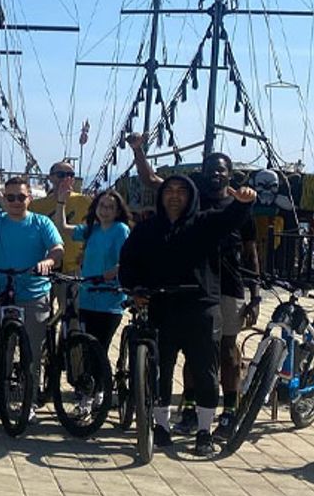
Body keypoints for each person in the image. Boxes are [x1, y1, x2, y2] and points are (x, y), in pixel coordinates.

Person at [129, 134, 260, 438]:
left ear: (230, 174)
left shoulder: (239, 204)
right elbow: (151, 179)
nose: (215, 174)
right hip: (194, 285)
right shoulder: (191, 198)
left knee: (226, 351)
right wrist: (138, 150)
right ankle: (188, 406)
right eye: (210, 169)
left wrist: (255, 295)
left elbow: (251, 252)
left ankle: (230, 409)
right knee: (192, 351)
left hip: (228, 284)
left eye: (221, 170)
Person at [0, 167, 64, 412]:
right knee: (3, 350)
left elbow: (58, 249)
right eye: (10, 197)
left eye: (21, 197)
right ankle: (2, 399)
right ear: (5, 199)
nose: (16, 201)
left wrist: (48, 262)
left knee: (32, 352)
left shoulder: (42, 222)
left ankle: (30, 401)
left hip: (34, 292)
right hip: (3, 291)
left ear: (30, 198)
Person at [52, 189, 132, 354]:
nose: (105, 210)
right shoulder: (92, 230)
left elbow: (127, 260)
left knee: (100, 348)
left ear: (118, 211)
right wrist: (61, 203)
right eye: (101, 205)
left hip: (109, 299)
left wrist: (114, 271)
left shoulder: (120, 229)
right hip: (87, 297)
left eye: (110, 207)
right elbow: (62, 227)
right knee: (87, 348)